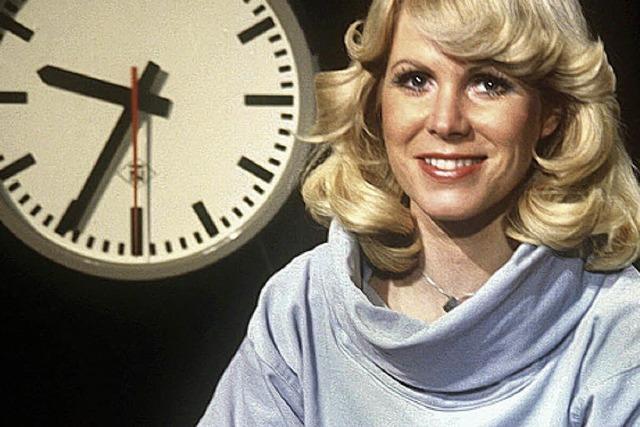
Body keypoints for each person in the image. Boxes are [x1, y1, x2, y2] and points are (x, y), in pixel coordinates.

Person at [199, 0, 640, 424]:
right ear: (376, 101)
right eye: (416, 80)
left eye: (488, 83)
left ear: (552, 112)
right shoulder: (301, 306)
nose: (446, 121)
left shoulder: (620, 329)